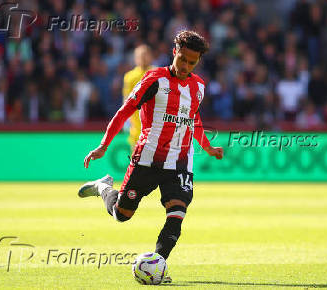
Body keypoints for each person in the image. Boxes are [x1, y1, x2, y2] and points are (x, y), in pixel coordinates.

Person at [78, 30, 224, 283]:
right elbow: (124, 111)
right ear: (174, 51)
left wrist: (208, 147)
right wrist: (103, 146)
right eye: (183, 59)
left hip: (179, 162)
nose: (186, 66)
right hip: (147, 159)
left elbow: (193, 119)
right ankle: (103, 187)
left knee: (177, 212)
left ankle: (157, 265)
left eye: (192, 63)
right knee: (121, 215)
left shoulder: (198, 86)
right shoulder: (154, 79)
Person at [123, 44, 154, 151]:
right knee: (136, 157)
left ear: (151, 56)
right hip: (136, 123)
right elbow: (126, 99)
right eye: (140, 55)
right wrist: (125, 119)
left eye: (145, 55)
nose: (143, 58)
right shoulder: (129, 76)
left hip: (154, 123)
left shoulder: (157, 73)